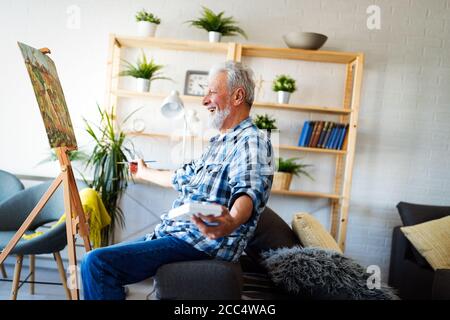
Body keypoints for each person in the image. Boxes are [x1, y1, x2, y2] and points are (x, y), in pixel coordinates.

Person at [80, 61, 274, 300]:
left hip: (200, 243)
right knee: (97, 261)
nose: (204, 101)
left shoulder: (252, 140)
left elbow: (248, 191)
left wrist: (231, 221)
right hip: (177, 236)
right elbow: (181, 177)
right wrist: (143, 172)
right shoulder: (219, 144)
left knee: (97, 263)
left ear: (238, 96)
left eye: (211, 92)